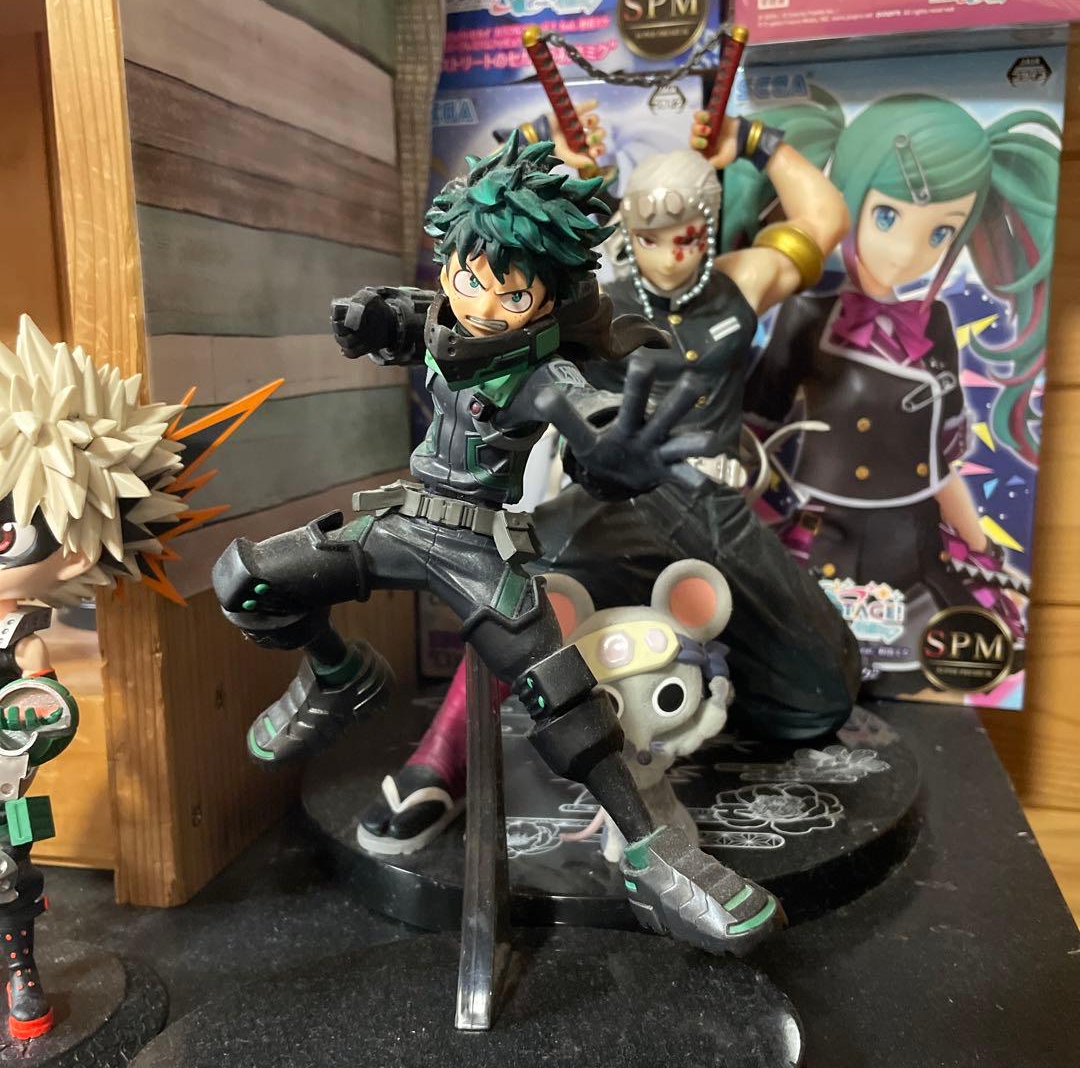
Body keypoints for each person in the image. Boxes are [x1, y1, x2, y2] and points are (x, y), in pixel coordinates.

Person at [213, 132, 788, 956]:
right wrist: (372, 318)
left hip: (480, 552)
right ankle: (338, 675)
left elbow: (587, 418)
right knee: (248, 580)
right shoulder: (444, 316)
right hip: (403, 523)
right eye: (469, 278)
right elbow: (410, 318)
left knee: (564, 704)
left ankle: (655, 856)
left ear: (549, 302)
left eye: (510, 295)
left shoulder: (543, 374)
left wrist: (615, 458)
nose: (481, 305)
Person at [359, 113, 862, 855]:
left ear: (708, 229)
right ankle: (442, 760)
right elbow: (493, 276)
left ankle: (681, 700)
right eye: (651, 237)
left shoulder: (740, 281)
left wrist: (757, 143)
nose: (669, 254)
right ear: (629, 229)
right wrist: (550, 152)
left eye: (686, 237)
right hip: (617, 494)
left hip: (715, 501)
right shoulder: (590, 300)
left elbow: (824, 220)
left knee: (819, 699)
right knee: (509, 578)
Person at [0, 315, 273, 1038]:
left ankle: (21, 972)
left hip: (4, 780)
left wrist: (30, 730)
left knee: (9, 874)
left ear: (74, 551)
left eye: (5, 535)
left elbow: (47, 709)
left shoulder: (23, 638)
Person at [731, 90, 1058, 690]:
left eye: (940, 233)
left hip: (913, 550)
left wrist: (983, 550)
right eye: (887, 217)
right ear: (848, 197)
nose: (908, 252)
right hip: (821, 541)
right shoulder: (805, 313)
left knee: (934, 673)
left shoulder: (937, 326)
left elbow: (937, 465)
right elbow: (754, 430)